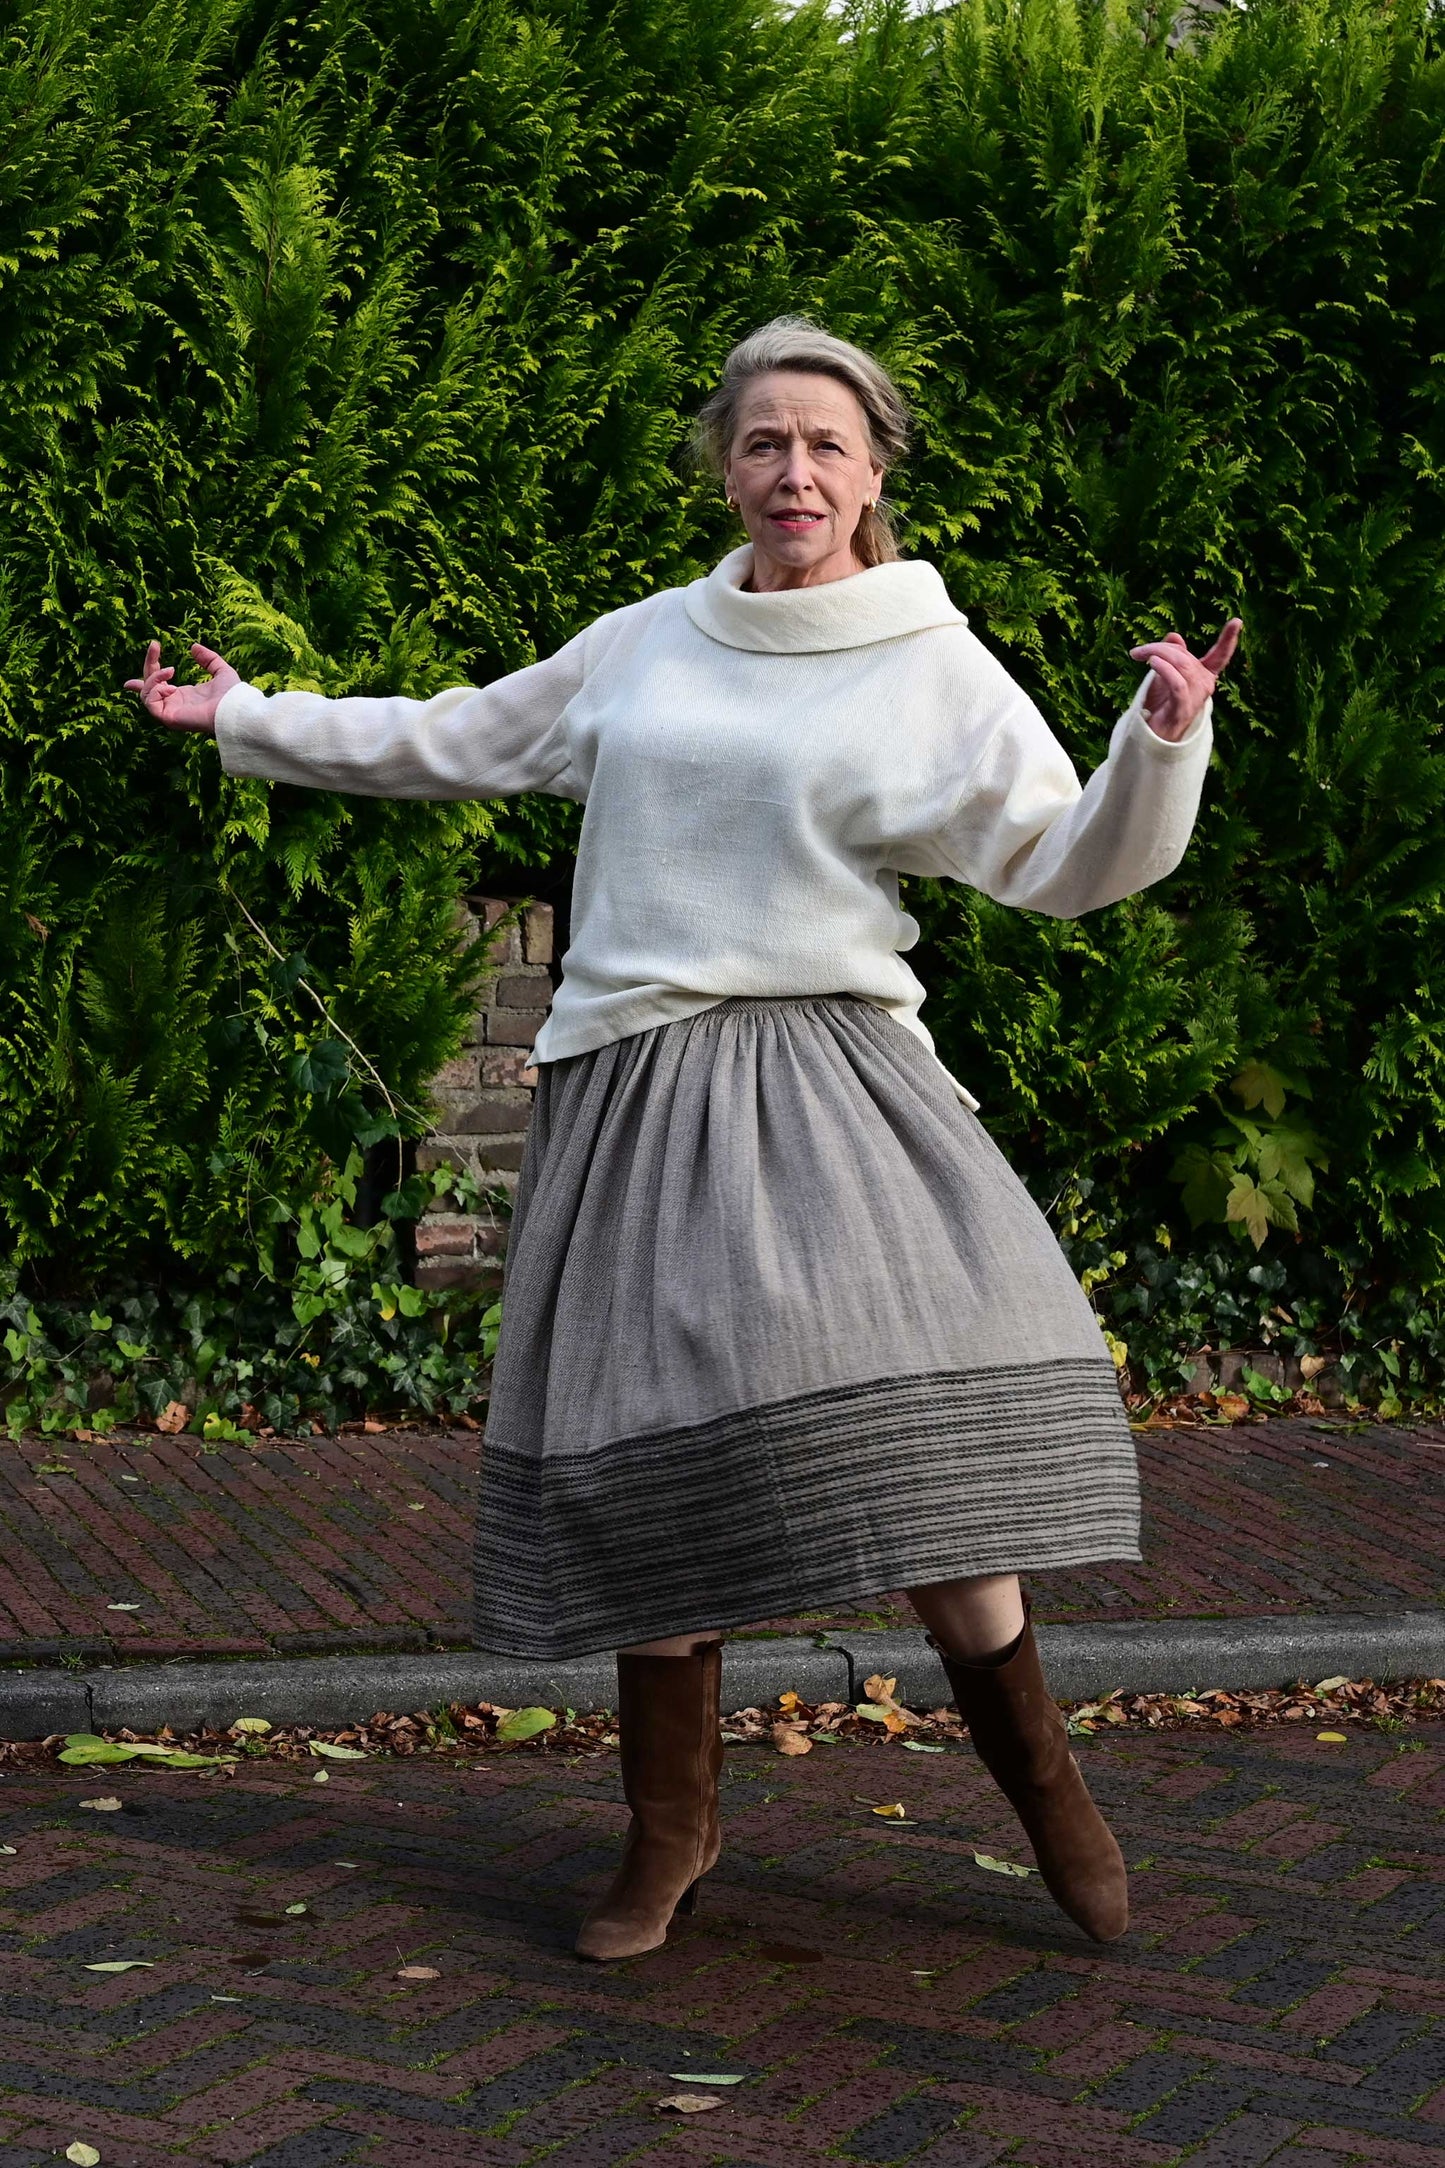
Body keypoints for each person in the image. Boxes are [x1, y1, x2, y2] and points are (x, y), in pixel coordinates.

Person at [129, 315, 1240, 1965]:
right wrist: (251, 721)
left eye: (827, 445)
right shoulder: (648, 640)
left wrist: (1157, 744)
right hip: (632, 1090)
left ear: (875, 473)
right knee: (651, 1468)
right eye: (762, 442)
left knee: (920, 1460)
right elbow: (461, 734)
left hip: (831, 1089)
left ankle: (1047, 1792)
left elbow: (1063, 859)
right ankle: (670, 1836)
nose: (793, 471)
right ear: (722, 465)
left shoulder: (929, 660)